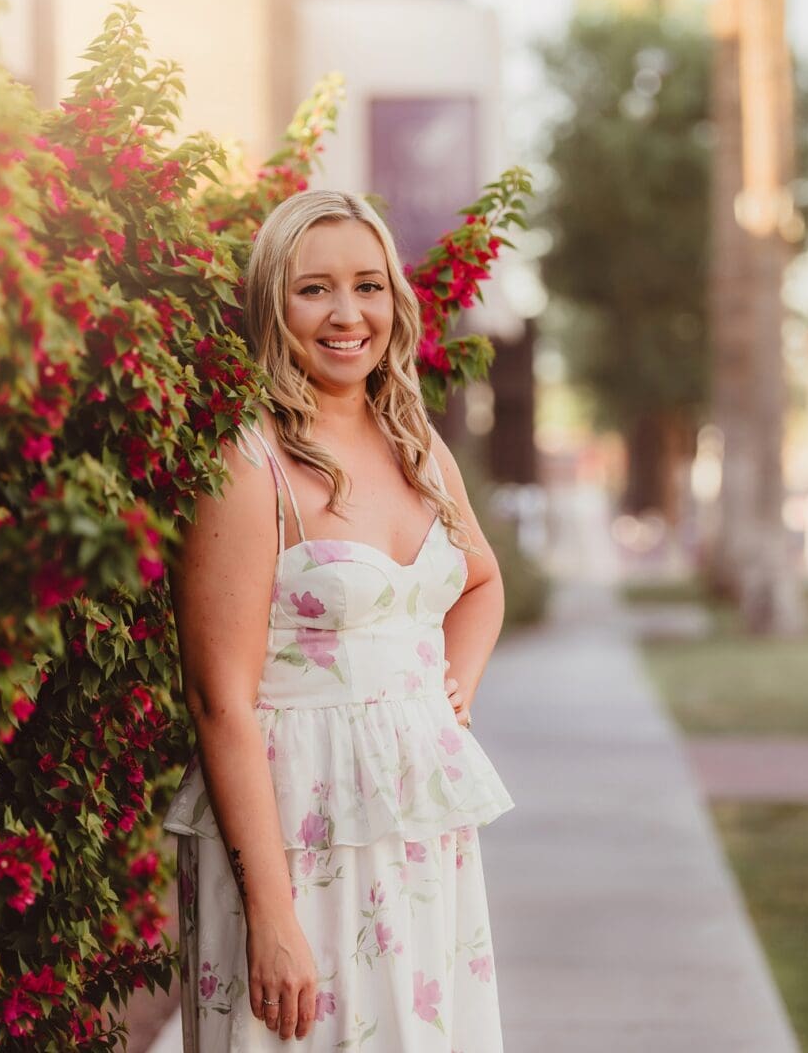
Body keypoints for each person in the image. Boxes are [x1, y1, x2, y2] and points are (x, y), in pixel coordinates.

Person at [163, 189, 515, 1051]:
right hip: (293, 829)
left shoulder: (416, 445)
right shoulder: (247, 463)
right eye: (313, 289)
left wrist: (449, 698)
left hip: (415, 824)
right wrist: (271, 914)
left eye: (368, 285)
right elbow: (221, 705)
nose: (347, 313)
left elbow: (479, 583)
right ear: (270, 306)